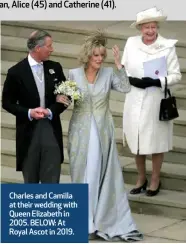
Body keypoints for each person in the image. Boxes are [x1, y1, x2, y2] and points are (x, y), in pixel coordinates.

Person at [57, 31, 143, 241]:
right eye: (96, 55)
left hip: (103, 132)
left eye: (102, 56)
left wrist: (119, 66)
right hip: (80, 132)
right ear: (88, 56)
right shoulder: (73, 74)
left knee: (98, 175)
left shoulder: (108, 74)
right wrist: (60, 97)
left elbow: (125, 87)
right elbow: (65, 99)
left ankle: (99, 221)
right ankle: (83, 222)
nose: (99, 59)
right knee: (82, 176)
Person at [121, 7, 182, 196]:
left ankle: (155, 178)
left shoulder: (167, 46)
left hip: (156, 99)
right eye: (146, 27)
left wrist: (158, 81)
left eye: (153, 27)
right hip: (134, 97)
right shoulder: (131, 43)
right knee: (137, 138)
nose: (150, 31)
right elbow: (124, 67)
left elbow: (176, 75)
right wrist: (131, 79)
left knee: (156, 141)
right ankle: (141, 177)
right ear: (140, 28)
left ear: (157, 27)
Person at [2, 30, 69, 183]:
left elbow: (67, 95)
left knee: (52, 180)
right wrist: (29, 112)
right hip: (28, 132)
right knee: (30, 181)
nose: (52, 49)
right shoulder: (16, 72)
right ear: (38, 48)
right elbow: (7, 103)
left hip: (50, 129)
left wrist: (51, 110)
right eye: (49, 46)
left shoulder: (55, 67)